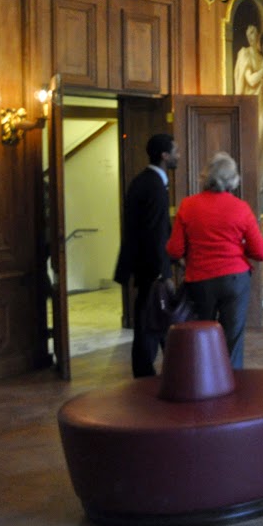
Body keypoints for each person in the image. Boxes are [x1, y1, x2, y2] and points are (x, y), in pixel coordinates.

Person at [166, 152, 263, 369]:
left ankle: (203, 379)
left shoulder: (188, 206)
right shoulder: (241, 208)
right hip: (235, 279)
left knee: (201, 337)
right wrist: (238, 246)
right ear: (233, 180)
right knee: (233, 339)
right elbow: (261, 252)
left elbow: (174, 250)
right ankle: (231, 380)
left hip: (199, 279)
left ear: (206, 176)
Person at [114, 133, 179, 378]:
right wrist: (164, 273)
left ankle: (165, 368)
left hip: (144, 265)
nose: (178, 155)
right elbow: (155, 234)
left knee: (153, 320)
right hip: (151, 268)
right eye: (175, 151)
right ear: (164, 155)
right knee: (150, 322)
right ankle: (145, 374)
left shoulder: (144, 181)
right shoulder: (154, 186)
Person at [233, 23, 263, 193]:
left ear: (257, 36)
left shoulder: (261, 56)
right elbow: (249, 80)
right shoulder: (245, 54)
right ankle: (250, 182)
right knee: (253, 142)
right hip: (251, 107)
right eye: (248, 34)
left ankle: (261, 183)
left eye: (253, 33)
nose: (251, 37)